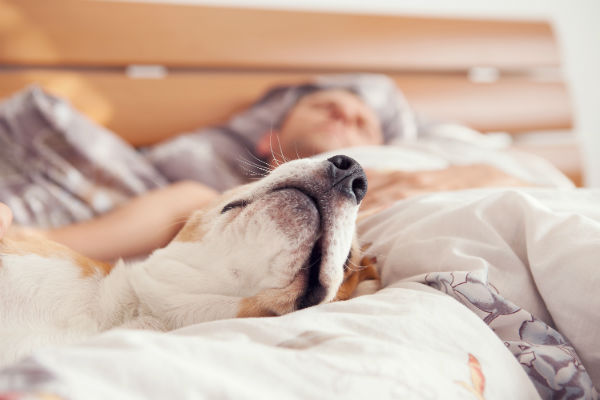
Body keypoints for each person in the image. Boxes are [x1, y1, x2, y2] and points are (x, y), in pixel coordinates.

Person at [0, 83, 529, 261]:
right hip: (219, 215)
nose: (345, 113)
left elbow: (523, 185)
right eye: (325, 106)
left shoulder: (410, 164)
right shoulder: (210, 188)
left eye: (362, 120)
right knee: (190, 194)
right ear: (266, 138)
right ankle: (29, 241)